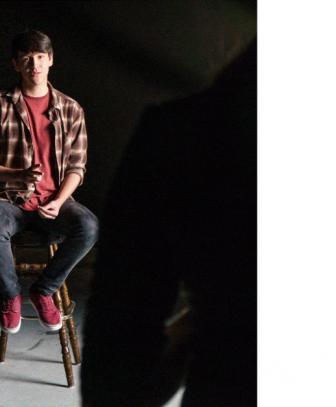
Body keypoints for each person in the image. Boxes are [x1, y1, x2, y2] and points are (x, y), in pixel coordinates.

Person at [80, 40, 257, 406]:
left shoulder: (184, 133)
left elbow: (114, 374)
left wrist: (215, 319)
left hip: (223, 385)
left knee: (84, 228)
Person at [0, 29, 98, 334]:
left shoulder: (71, 109)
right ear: (15, 64)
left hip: (54, 202)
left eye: (41, 57)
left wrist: (58, 201)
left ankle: (44, 290)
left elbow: (77, 168)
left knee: (89, 226)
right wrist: (17, 175)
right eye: (27, 58)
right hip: (9, 200)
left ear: (51, 60)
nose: (35, 65)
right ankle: (11, 294)